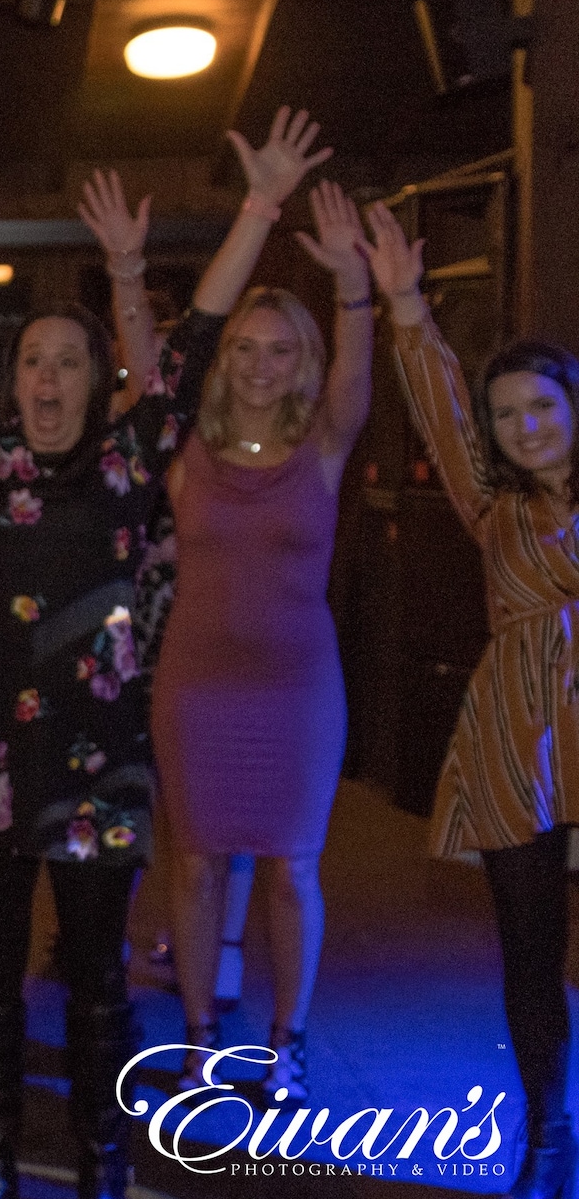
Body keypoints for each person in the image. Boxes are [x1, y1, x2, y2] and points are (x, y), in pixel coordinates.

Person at [0, 107, 332, 1199]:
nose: (46, 376)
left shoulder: (135, 457)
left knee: (94, 986)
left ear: (98, 378)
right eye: (30, 360)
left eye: (68, 360)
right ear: (13, 377)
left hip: (98, 767)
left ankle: (96, 1168)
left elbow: (198, 334)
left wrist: (259, 206)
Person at [372, 201, 579, 1199]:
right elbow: (442, 415)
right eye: (505, 415)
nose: (521, 426)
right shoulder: (491, 506)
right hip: (519, 739)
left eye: (538, 407)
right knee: (529, 953)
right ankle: (545, 1140)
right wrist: (405, 306)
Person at [150, 179, 375, 1101]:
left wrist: (354, 286)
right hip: (197, 686)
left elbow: (360, 379)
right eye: (245, 346)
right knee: (196, 861)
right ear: (224, 356)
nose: (260, 364)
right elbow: (159, 353)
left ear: (304, 362)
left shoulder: (323, 443)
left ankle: (289, 1037)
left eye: (281, 350)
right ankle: (204, 1034)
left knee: (293, 866)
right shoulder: (183, 448)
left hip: (297, 689)